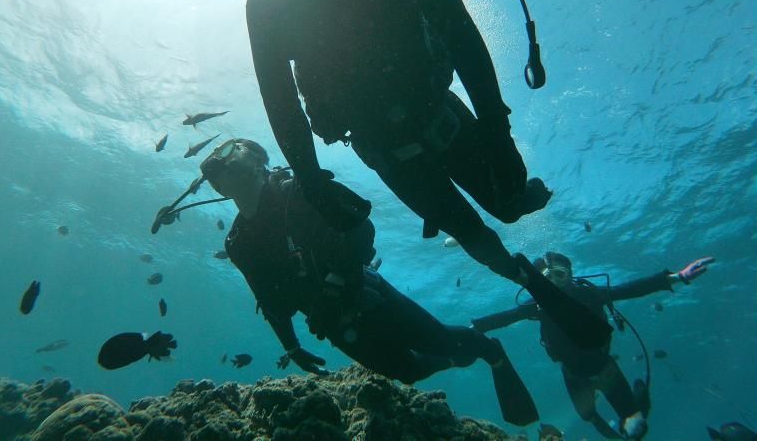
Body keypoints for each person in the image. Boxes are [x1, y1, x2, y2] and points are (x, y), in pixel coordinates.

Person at [229, 0, 611, 350]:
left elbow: (462, 35)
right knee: (472, 235)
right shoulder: (267, 7)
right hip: (385, 151)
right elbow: (281, 106)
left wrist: (497, 129)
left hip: (442, 118)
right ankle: (526, 279)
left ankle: (518, 205)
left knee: (509, 206)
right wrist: (312, 183)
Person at [198, 137, 539, 426]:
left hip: (366, 293)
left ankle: (488, 350)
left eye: (231, 149)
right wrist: (291, 345)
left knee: (442, 342)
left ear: (259, 161)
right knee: (406, 371)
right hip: (331, 323)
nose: (219, 159)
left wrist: (335, 286)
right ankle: (458, 356)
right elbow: (268, 300)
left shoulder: (302, 192)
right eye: (214, 158)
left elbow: (362, 227)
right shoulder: (238, 243)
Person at [471, 251, 716, 439]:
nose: (555, 283)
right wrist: (476, 329)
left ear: (570, 274)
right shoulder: (538, 305)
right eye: (548, 278)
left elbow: (628, 289)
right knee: (589, 418)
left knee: (636, 426)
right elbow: (507, 316)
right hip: (573, 373)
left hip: (603, 368)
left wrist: (677, 277)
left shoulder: (588, 295)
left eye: (560, 274)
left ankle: (639, 398)